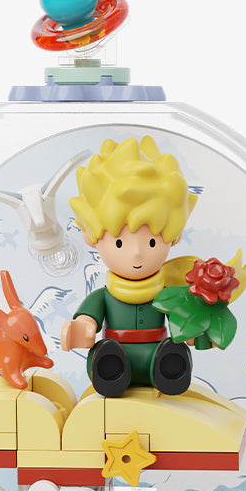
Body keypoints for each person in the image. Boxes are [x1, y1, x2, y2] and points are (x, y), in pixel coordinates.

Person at [61, 136, 198, 396]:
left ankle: (169, 369)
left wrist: (193, 332)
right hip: (115, 352)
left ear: (174, 235)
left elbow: (183, 320)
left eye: (151, 242)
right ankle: (110, 372)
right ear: (91, 237)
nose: (137, 254)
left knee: (174, 352)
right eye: (120, 243)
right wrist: (84, 326)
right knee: (105, 355)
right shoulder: (105, 296)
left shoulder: (166, 292)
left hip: (156, 353)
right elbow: (88, 318)